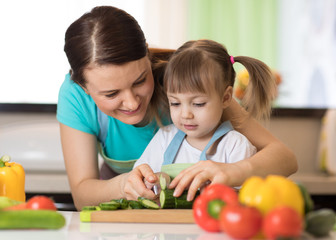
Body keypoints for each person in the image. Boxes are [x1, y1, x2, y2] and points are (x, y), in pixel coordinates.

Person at [57, 6, 297, 210]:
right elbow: (82, 194)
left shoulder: (185, 82)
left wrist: (231, 172)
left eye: (140, 80)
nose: (132, 103)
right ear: (83, 87)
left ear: (148, 57)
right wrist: (124, 185)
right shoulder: (75, 97)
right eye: (111, 94)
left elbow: (285, 159)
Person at [134, 39, 274, 200]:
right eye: (175, 103)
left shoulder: (236, 146)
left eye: (198, 104)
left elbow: (249, 197)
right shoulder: (164, 137)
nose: (186, 114)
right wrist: (154, 180)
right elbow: (139, 178)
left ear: (226, 98)